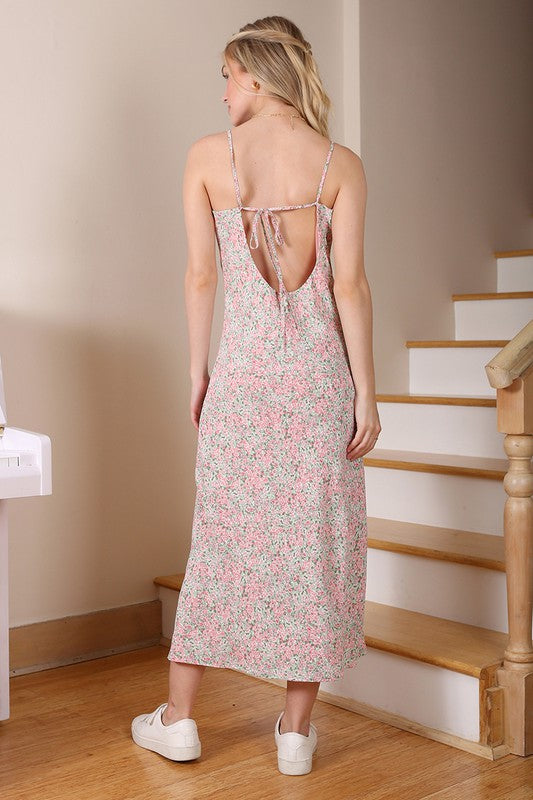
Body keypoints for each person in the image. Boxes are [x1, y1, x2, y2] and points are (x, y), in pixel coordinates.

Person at [131, 15, 381, 776]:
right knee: (314, 546)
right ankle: (296, 736)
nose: (223, 91)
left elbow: (201, 275)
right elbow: (349, 287)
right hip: (317, 383)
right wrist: (366, 396)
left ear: (261, 74)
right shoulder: (340, 163)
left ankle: (178, 721)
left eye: (229, 75)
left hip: (242, 377)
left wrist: (198, 370)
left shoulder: (211, 159)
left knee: (219, 540)